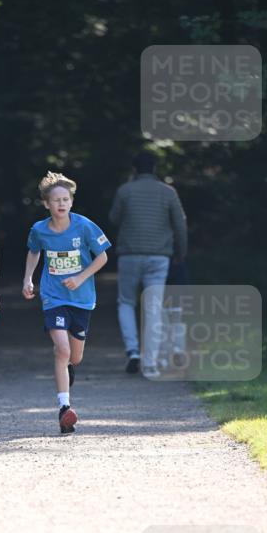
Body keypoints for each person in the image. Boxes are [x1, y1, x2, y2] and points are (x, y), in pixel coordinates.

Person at [22, 171, 110, 434]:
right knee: (61, 350)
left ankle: (68, 368)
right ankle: (64, 408)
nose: (61, 204)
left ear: (71, 202)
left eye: (65, 199)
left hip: (82, 299)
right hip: (53, 296)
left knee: (75, 357)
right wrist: (28, 278)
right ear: (47, 204)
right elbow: (34, 250)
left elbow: (102, 256)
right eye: (56, 200)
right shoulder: (39, 230)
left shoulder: (83, 226)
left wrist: (81, 277)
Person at [108, 151, 187, 379]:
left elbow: (114, 218)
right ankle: (150, 363)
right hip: (160, 256)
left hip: (129, 254)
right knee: (153, 308)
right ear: (154, 169)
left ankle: (133, 352)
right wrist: (180, 253)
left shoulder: (124, 191)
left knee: (125, 302)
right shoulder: (168, 192)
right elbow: (180, 226)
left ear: (135, 169)